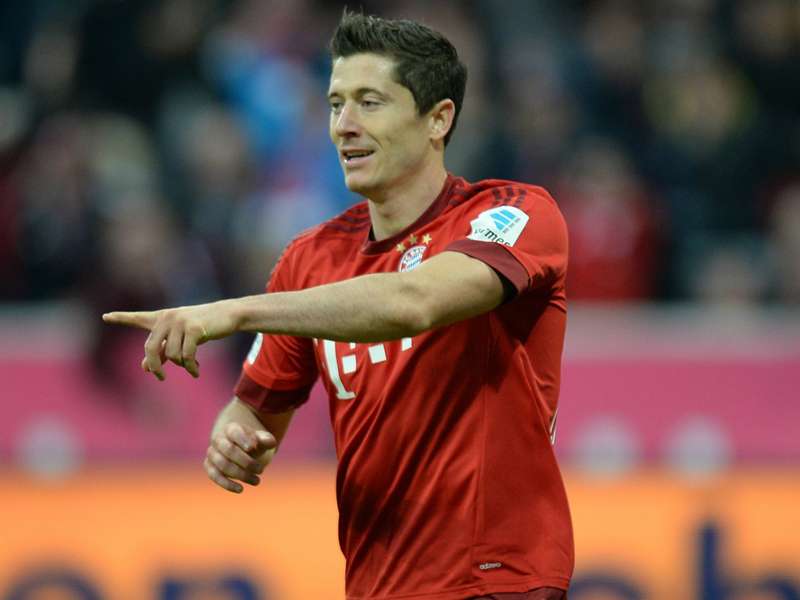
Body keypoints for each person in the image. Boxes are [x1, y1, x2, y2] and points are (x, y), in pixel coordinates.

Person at [104, 11, 573, 600]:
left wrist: (235, 311)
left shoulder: (515, 214)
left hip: (496, 582)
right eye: (335, 104)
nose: (344, 126)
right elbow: (256, 409)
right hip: (376, 586)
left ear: (438, 119)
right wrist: (233, 438)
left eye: (369, 103)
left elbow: (416, 300)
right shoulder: (311, 259)